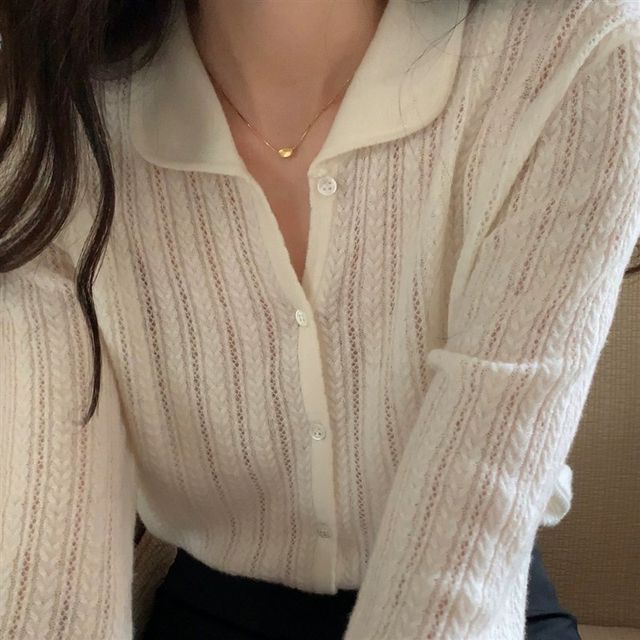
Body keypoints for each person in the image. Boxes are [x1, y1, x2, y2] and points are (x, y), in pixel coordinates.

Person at [1, 0, 638, 638]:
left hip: (477, 598)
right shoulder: (42, 115)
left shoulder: (581, 52)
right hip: (216, 609)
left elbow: (472, 524)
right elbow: (48, 574)